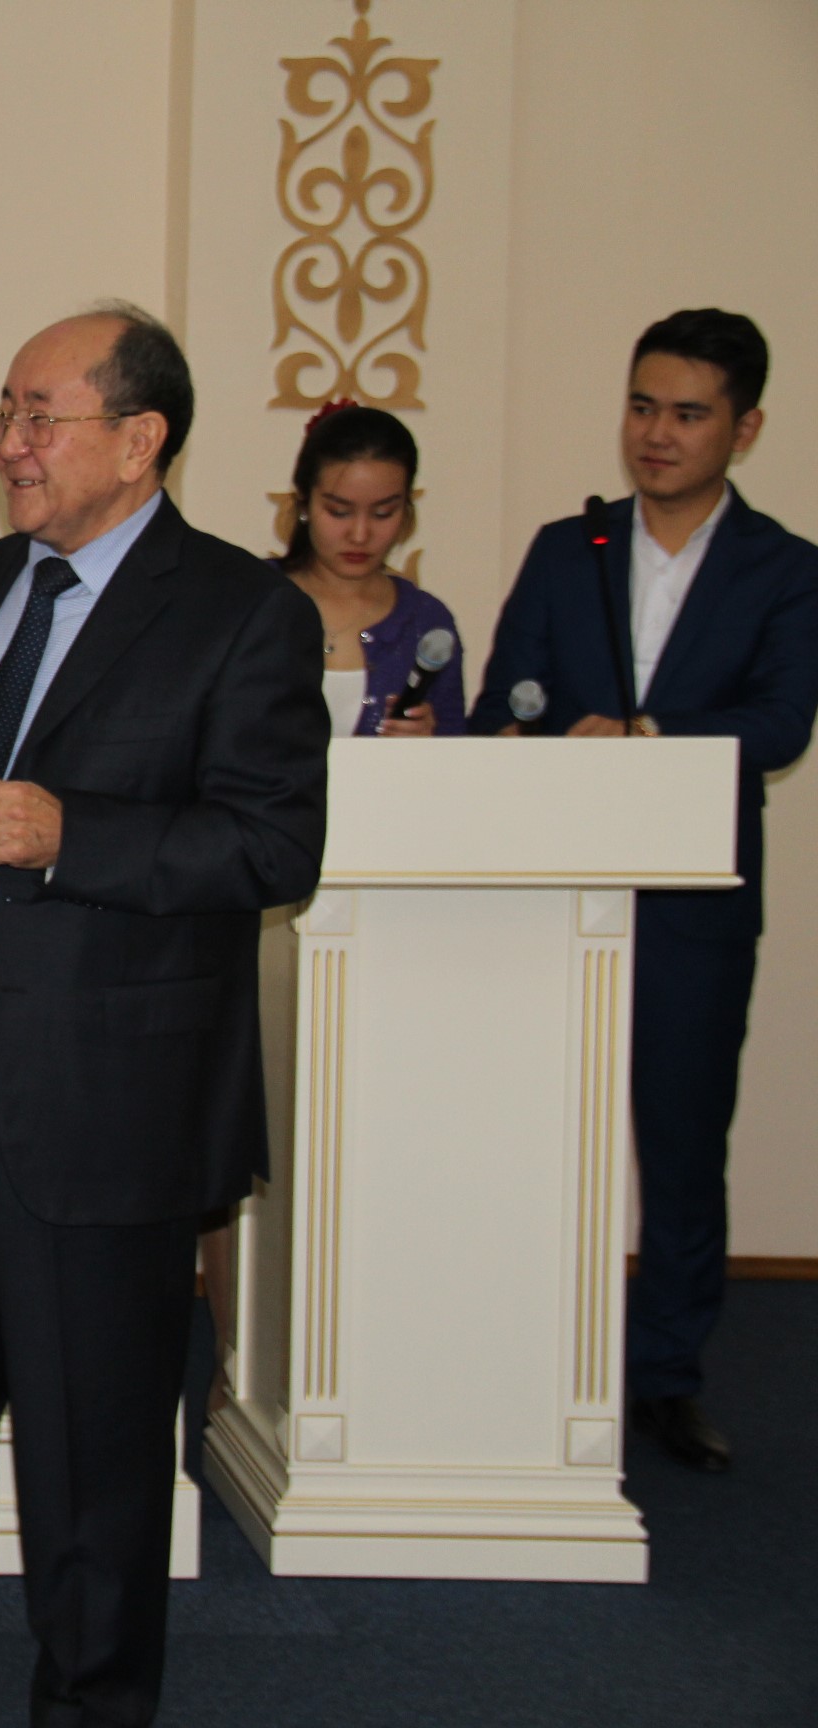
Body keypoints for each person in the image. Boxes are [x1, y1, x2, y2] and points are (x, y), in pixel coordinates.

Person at [0, 303, 327, 1728]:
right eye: (7, 414)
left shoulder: (242, 613)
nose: (13, 444)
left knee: (88, 1457)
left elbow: (273, 845)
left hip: (106, 1097)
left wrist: (74, 837)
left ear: (140, 437)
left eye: (42, 416)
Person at [467, 308, 818, 1474]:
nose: (656, 434)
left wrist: (650, 736)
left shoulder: (786, 569)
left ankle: (666, 1375)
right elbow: (503, 702)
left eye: (688, 414)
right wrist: (526, 732)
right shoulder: (570, 547)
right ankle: (516, 1355)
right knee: (528, 1139)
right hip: (550, 896)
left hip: (691, 906)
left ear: (745, 428)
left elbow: (780, 725)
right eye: (641, 406)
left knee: (680, 1147)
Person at [276, 401, 462, 738]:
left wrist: (430, 745)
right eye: (339, 512)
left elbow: (459, 752)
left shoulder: (425, 623)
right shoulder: (248, 601)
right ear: (304, 503)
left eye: (382, 514)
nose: (360, 535)